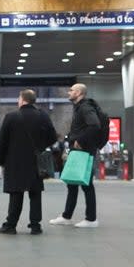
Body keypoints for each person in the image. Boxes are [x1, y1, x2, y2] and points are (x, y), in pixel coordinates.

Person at [0, 89, 57, 235]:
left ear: (22, 99)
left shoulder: (11, 117)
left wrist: (0, 161)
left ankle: (11, 225)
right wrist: (40, 147)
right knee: (35, 193)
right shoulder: (43, 116)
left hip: (14, 161)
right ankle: (35, 226)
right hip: (35, 161)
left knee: (16, 193)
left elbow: (2, 142)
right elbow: (53, 137)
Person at [49, 83, 101, 228]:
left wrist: (80, 140)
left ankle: (91, 219)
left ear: (78, 93)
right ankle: (67, 216)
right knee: (72, 183)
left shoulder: (85, 107)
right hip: (79, 150)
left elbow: (95, 125)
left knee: (86, 184)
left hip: (84, 150)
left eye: (71, 90)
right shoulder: (79, 107)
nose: (68, 92)